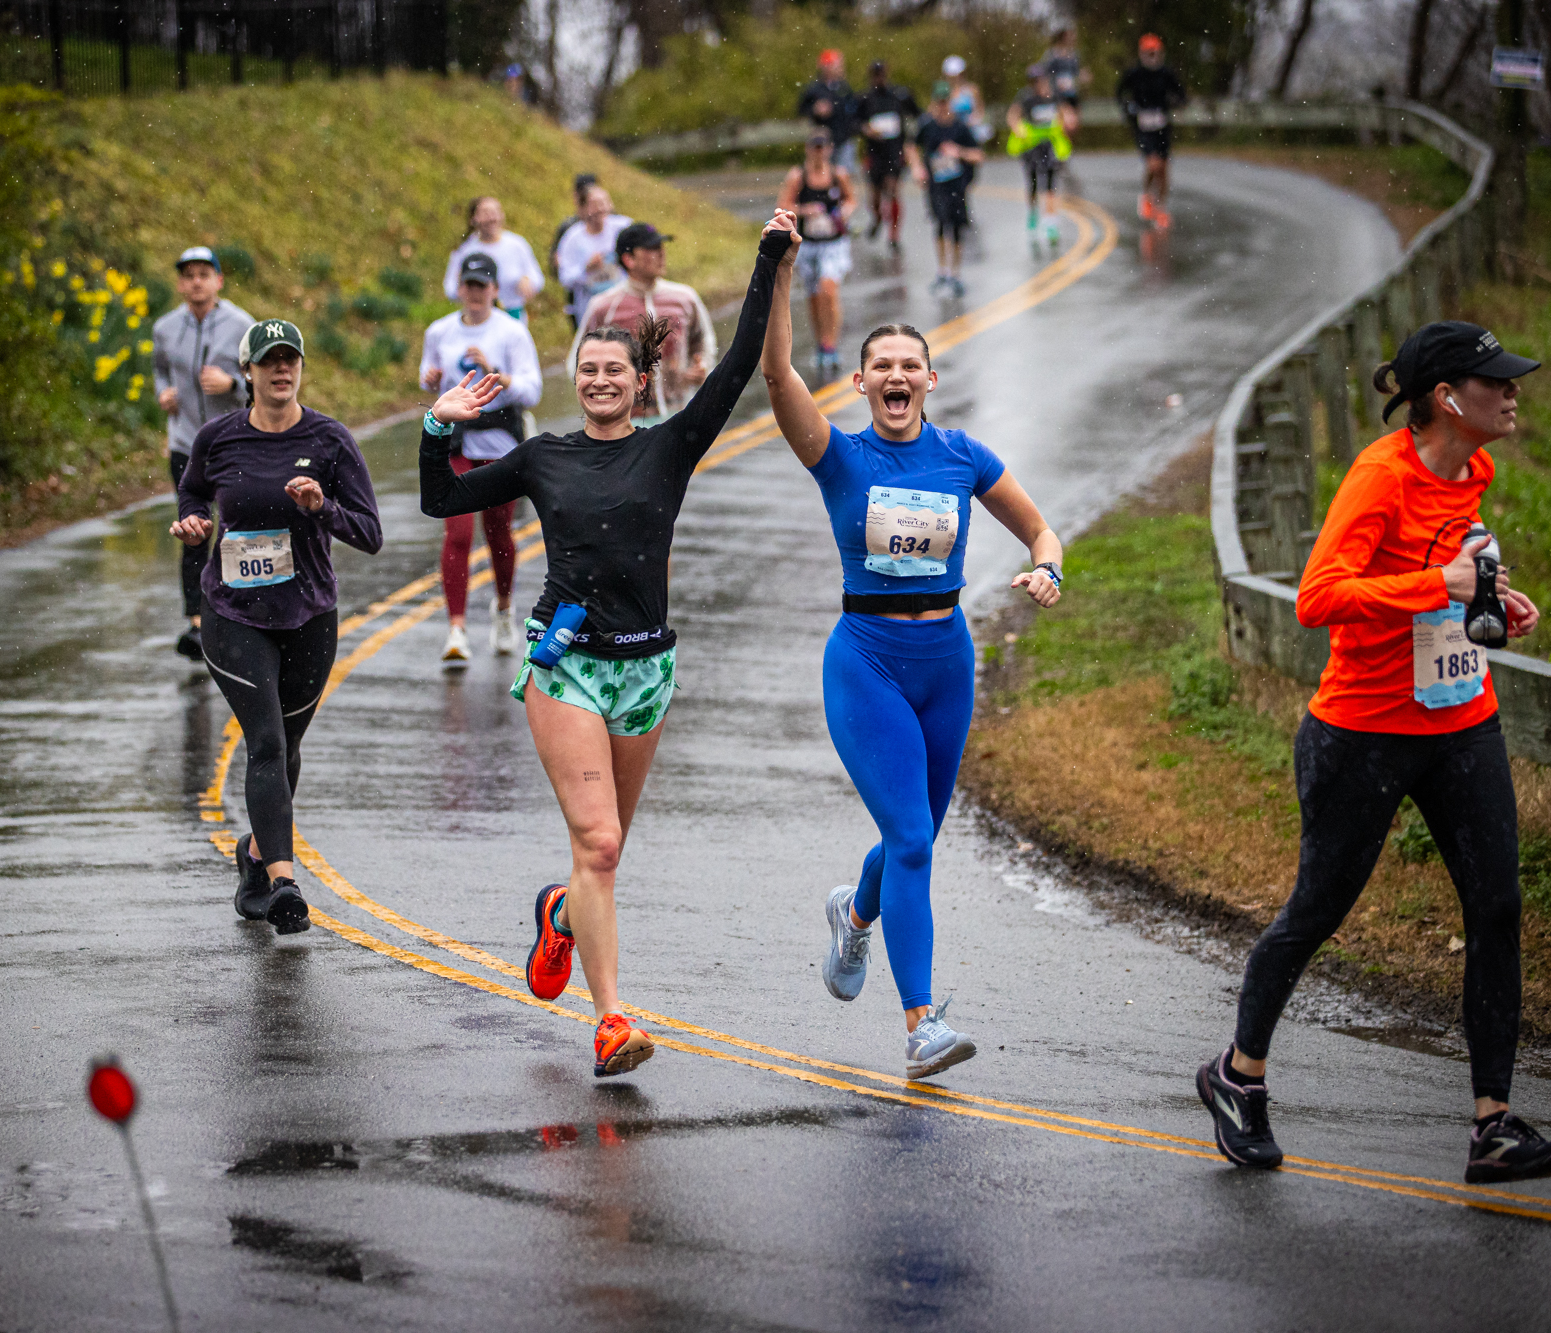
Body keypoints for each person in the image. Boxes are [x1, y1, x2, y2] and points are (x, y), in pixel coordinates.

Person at [1196, 322, 1551, 1185]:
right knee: (1316, 911)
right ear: (1447, 398)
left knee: (1498, 905)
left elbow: (1446, 571)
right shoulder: (1380, 475)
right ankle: (1237, 1075)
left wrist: (1493, 598)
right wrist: (1440, 585)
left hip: (1462, 719)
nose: (1513, 391)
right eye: (1495, 380)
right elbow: (1319, 597)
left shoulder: (1473, 471)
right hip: (1363, 731)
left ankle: (1493, 1125)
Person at [420, 212, 797, 1079]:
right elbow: (443, 501)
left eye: (613, 370)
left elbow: (740, 361)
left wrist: (769, 257)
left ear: (640, 380)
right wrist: (439, 427)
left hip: (647, 670)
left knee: (606, 847)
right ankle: (611, 1021)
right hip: (567, 668)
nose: (598, 380)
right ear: (575, 378)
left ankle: (560, 916)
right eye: (587, 370)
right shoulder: (543, 457)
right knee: (601, 844)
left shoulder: (671, 446)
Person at [761, 229, 1066, 1081]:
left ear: (931, 380)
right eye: (881, 366)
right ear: (860, 383)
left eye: (910, 366)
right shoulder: (840, 457)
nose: (896, 376)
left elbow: (1041, 530)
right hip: (867, 662)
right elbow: (778, 375)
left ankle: (855, 915)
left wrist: (1047, 567)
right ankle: (920, 1025)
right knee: (912, 839)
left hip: (946, 663)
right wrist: (781, 274)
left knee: (915, 837)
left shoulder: (964, 458)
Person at [172, 319, 382, 934]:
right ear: (249, 372)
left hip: (309, 614)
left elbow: (370, 533)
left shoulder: (330, 440)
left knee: (286, 747)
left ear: (301, 368)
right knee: (264, 741)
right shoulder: (217, 438)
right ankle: (284, 884)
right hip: (233, 613)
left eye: (290, 358)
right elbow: (192, 493)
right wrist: (194, 524)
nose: (281, 369)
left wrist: (322, 507)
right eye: (269, 360)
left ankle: (256, 854)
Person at [419, 254, 543, 667]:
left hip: (499, 441)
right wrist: (431, 380)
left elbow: (532, 390)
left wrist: (498, 375)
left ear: (494, 289)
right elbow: (427, 374)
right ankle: (456, 628)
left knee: (498, 533)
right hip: (456, 442)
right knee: (456, 532)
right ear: (459, 288)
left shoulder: (511, 332)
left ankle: (503, 608)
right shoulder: (439, 331)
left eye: (482, 285)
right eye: (468, 285)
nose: (474, 293)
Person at [152, 246, 253, 661]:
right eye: (188, 275)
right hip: (185, 444)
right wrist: (164, 393)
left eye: (203, 274)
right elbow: (160, 368)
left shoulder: (242, 325)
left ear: (218, 281)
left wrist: (232, 386)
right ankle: (196, 622)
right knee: (193, 531)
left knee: (235, 527)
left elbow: (260, 380)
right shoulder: (164, 328)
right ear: (180, 283)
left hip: (231, 445)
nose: (196, 282)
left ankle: (238, 612)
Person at [567, 222, 716, 423]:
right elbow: (577, 362)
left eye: (661, 247)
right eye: (651, 249)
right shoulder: (604, 307)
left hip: (681, 414)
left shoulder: (684, 298)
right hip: (627, 422)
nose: (661, 254)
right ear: (628, 259)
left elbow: (704, 341)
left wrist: (701, 367)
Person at [775, 131, 859, 374]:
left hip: (834, 244)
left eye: (823, 148)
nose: (819, 153)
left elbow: (851, 199)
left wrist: (844, 212)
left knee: (828, 290)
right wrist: (805, 210)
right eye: (815, 147)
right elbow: (783, 205)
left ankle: (831, 345)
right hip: (809, 244)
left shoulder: (838, 174)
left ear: (830, 149)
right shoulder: (798, 176)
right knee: (813, 297)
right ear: (808, 149)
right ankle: (821, 343)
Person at [910, 85, 985, 297]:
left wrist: (958, 152)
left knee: (957, 228)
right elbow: (911, 146)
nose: (942, 107)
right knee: (941, 225)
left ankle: (956, 273)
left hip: (957, 186)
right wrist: (917, 167)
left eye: (945, 102)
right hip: (936, 186)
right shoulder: (927, 126)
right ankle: (942, 271)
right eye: (939, 102)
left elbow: (978, 155)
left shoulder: (960, 127)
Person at [1117, 34, 1188, 229]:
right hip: (1143, 126)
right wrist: (1127, 108)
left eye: (1155, 53)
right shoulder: (1135, 73)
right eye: (1148, 53)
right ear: (1142, 54)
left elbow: (1181, 93)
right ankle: (1147, 195)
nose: (1152, 57)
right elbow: (1120, 92)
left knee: (1163, 168)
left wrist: (1178, 103)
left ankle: (1161, 207)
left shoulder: (1166, 73)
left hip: (1162, 125)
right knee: (1153, 164)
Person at [443, 196, 545, 323]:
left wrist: (528, 282)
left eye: (495, 212)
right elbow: (450, 288)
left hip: (512, 314)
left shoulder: (517, 245)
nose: (491, 218)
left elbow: (537, 279)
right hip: (478, 317)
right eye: (485, 213)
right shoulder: (465, 250)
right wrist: (464, 287)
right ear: (473, 219)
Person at [854, 61, 919, 248]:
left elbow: (917, 114)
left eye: (881, 74)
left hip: (894, 152)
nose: (879, 79)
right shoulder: (864, 98)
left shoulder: (899, 95)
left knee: (893, 190)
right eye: (876, 75)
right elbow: (853, 122)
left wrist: (910, 141)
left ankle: (894, 235)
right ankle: (877, 217)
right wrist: (866, 129)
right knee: (875, 196)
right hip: (874, 153)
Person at [1007, 66, 1073, 243]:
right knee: (1033, 182)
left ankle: (1050, 221)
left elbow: (1063, 112)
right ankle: (1033, 214)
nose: (1037, 84)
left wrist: (1066, 121)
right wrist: (1018, 129)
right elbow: (1013, 116)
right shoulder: (1026, 97)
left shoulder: (1054, 96)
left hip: (1049, 145)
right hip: (1031, 146)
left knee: (1050, 182)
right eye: (1034, 81)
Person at [552, 184, 631, 331]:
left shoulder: (623, 227)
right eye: (594, 204)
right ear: (582, 209)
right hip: (590, 309)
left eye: (604, 202)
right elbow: (565, 278)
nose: (601, 208)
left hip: (623, 304)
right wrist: (586, 269)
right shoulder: (572, 239)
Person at [796, 48, 860, 177]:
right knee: (824, 176)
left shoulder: (844, 87)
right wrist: (815, 110)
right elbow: (801, 109)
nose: (841, 69)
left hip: (844, 139)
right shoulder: (814, 89)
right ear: (827, 67)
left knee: (844, 175)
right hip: (824, 141)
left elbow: (852, 110)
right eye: (837, 65)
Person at [1042, 25, 1090, 131]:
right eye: (1070, 36)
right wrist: (1048, 89)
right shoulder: (1051, 55)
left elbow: (1077, 73)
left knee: (1074, 124)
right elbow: (1044, 73)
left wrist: (1083, 77)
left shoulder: (1075, 55)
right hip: (1058, 95)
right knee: (1064, 123)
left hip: (1073, 94)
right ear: (1062, 37)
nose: (1073, 38)